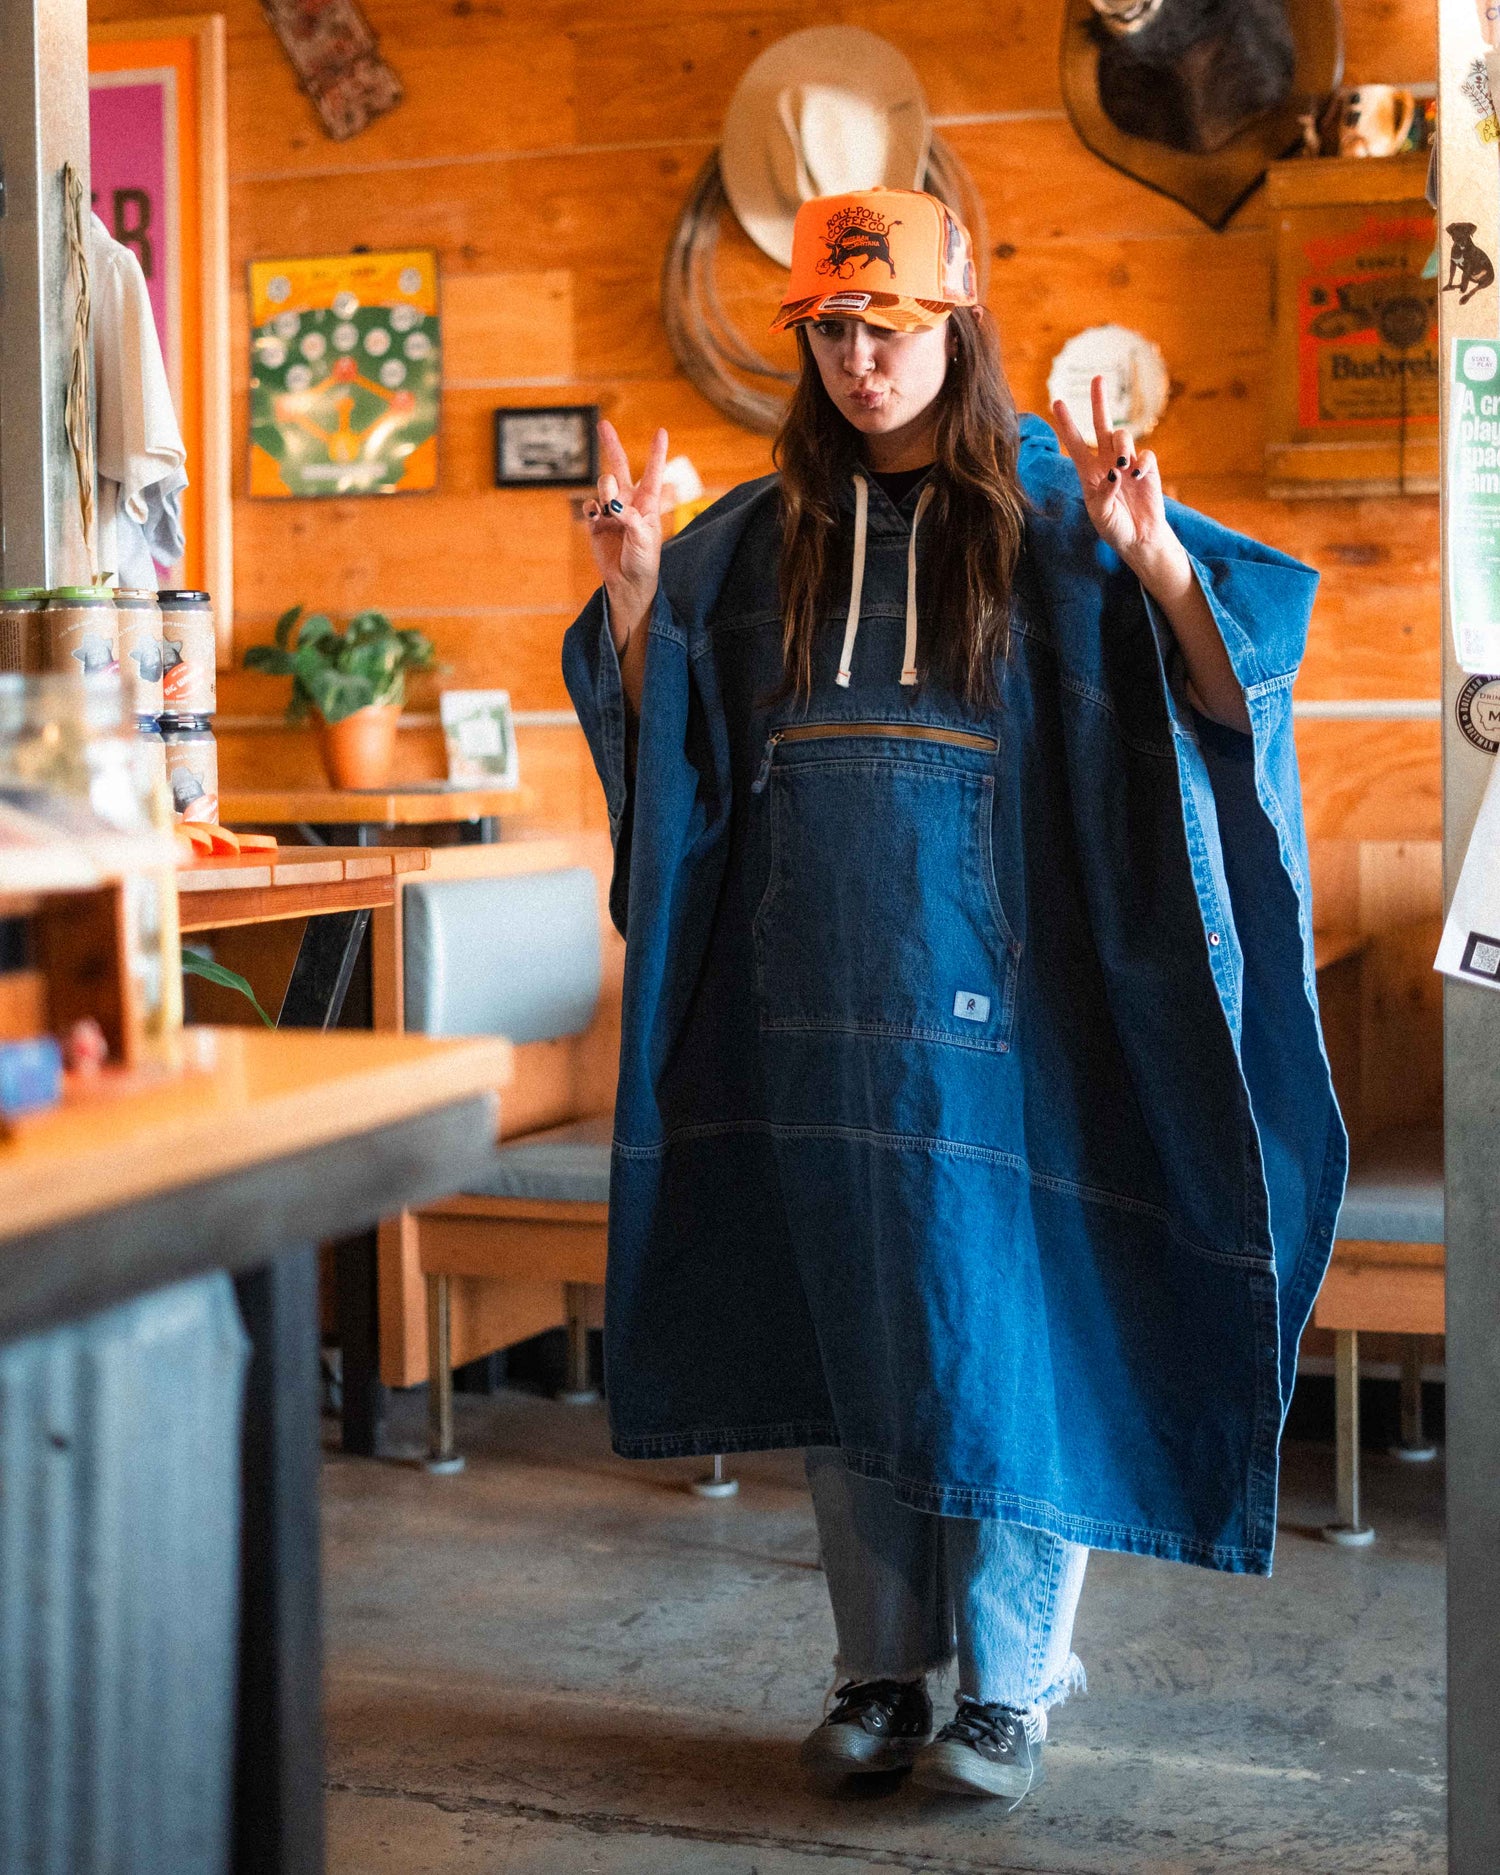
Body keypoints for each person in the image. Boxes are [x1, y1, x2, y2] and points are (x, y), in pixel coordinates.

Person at [562, 187, 1344, 1805]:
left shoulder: (1063, 517)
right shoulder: (756, 543)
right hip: (817, 1011)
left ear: (957, 319)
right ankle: (877, 1670)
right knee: (855, 1337)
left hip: (1017, 1028)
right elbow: (680, 761)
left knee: (1008, 1332)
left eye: (890, 328)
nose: (860, 363)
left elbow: (1230, 688)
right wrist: (638, 593)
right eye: (832, 332)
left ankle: (1011, 1683)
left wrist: (1153, 557)